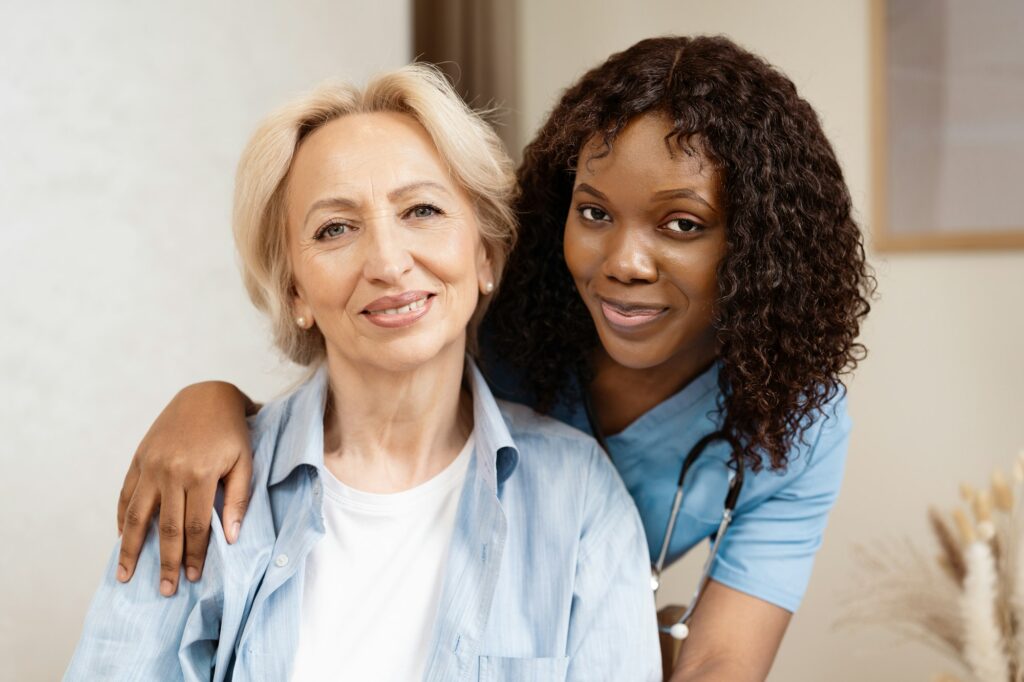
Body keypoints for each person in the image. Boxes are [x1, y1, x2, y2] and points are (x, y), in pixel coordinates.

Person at [113, 36, 873, 680]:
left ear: (759, 248)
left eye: (681, 223)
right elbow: (361, 386)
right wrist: (211, 401)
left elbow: (717, 666)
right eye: (594, 213)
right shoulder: (500, 328)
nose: (625, 262)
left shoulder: (793, 427)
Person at [65, 64, 661, 681]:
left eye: (423, 210)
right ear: (294, 289)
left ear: (484, 254)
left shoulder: (580, 493)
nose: (387, 262)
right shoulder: (202, 494)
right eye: (335, 228)